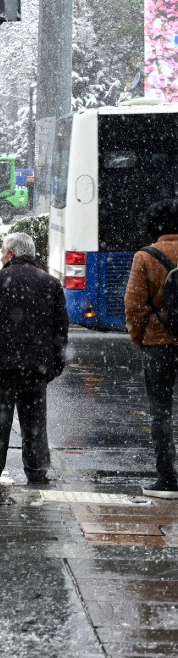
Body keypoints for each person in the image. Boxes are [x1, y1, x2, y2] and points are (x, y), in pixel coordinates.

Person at [0, 232, 68, 486]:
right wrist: (54, 364)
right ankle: (36, 469)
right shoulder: (50, 283)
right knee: (34, 420)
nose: (1, 257)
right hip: (36, 365)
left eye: (2, 252)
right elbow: (60, 328)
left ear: (11, 254)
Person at [125, 198, 178, 499]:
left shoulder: (145, 256)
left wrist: (140, 338)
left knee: (161, 413)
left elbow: (134, 306)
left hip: (158, 346)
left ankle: (168, 479)